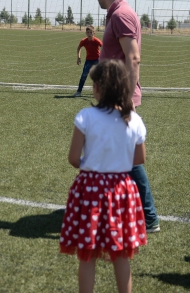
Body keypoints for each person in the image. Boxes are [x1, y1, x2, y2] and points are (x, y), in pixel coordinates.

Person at [59, 60, 147, 293]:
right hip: (122, 190)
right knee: (120, 254)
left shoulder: (86, 116)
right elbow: (139, 159)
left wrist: (92, 166)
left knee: (87, 254)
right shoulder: (135, 120)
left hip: (90, 190)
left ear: (99, 87)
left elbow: (73, 158)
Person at [93, 0, 160, 233]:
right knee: (116, 154)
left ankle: (149, 217)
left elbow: (133, 58)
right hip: (112, 95)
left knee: (130, 159)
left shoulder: (121, 15)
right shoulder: (116, 14)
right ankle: (118, 209)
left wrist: (127, 99)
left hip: (120, 98)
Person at [74, 25, 103, 97]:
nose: (89, 34)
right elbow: (79, 48)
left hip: (97, 60)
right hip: (88, 61)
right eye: (88, 32)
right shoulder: (83, 41)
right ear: (86, 33)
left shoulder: (96, 41)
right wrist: (78, 57)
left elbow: (104, 47)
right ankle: (79, 91)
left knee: (99, 77)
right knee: (84, 75)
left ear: (94, 33)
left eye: (91, 32)